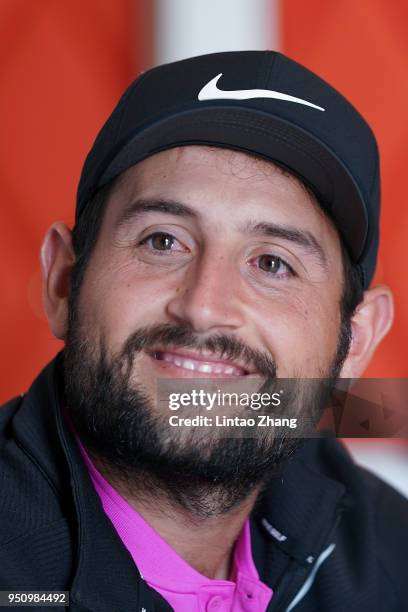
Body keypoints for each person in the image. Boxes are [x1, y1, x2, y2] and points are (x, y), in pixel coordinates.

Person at [0, 50, 406, 612]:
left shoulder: (386, 549)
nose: (204, 308)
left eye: (272, 263)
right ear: (64, 283)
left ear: (356, 340)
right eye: (162, 241)